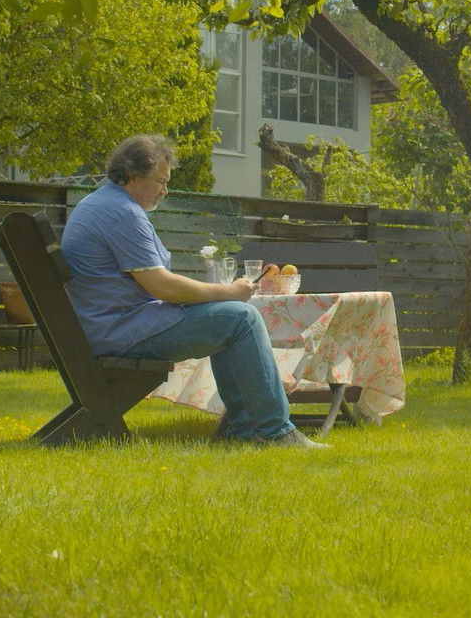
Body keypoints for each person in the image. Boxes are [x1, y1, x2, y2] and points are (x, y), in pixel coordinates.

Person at [60, 134, 328, 448]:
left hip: (106, 326)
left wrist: (219, 297)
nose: (164, 190)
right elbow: (161, 286)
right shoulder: (122, 214)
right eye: (160, 182)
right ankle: (276, 432)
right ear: (131, 175)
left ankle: (243, 431)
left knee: (229, 318)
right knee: (241, 319)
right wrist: (228, 291)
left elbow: (155, 284)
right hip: (121, 332)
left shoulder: (101, 203)